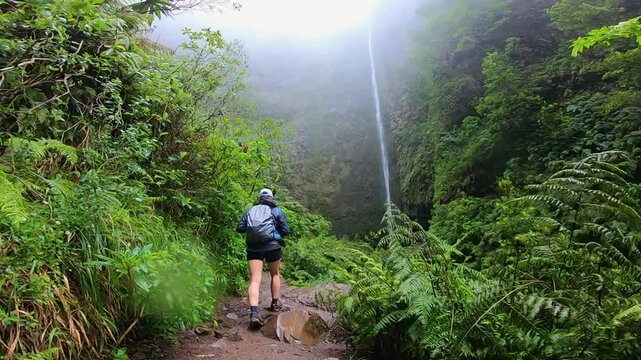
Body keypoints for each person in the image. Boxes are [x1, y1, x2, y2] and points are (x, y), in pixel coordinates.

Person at [236, 188, 290, 327]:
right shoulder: (276, 211)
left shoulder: (250, 211)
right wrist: (273, 233)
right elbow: (285, 231)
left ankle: (254, 312)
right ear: (271, 198)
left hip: (253, 247)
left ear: (259, 198)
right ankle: (274, 304)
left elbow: (240, 228)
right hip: (272, 246)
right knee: (275, 274)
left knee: (255, 279)